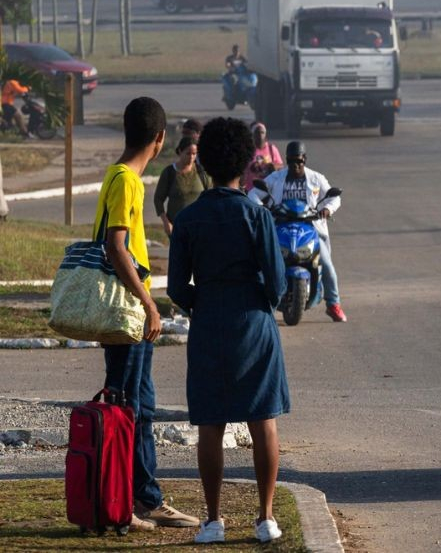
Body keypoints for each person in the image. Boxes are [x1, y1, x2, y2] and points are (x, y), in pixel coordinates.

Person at [167, 118, 289, 545]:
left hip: (209, 323)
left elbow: (179, 288)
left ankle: (214, 519)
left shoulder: (188, 220)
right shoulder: (257, 216)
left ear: (207, 165)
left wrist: (204, 302)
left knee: (211, 425)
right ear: (245, 163)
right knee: (263, 422)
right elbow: (277, 283)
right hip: (254, 322)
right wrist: (257, 302)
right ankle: (266, 517)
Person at [95, 97, 200, 531]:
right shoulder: (127, 181)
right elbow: (116, 246)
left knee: (140, 406)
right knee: (125, 409)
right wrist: (148, 302)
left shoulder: (122, 177)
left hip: (129, 312)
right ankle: (122, 504)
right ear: (159, 140)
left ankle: (144, 497)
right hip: (128, 312)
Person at [250, 141, 346, 322]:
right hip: (280, 228)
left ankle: (333, 304)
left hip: (310, 229)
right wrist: (262, 209)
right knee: (262, 262)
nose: (295, 165)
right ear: (286, 160)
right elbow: (254, 194)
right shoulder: (276, 178)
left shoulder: (316, 178)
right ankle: (257, 303)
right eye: (291, 161)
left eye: (299, 161)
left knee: (325, 263)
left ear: (305, 160)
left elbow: (335, 198)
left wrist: (327, 210)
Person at [154, 136, 211, 237]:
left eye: (194, 154)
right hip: (177, 228)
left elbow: (211, 197)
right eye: (188, 153)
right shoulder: (169, 173)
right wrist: (166, 222)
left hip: (199, 227)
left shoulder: (201, 172)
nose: (191, 157)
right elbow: (158, 199)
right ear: (180, 151)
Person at [242, 121, 283, 191]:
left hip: (269, 189)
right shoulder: (247, 149)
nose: (260, 135)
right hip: (251, 189)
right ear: (252, 134)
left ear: (265, 134)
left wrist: (273, 166)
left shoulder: (272, 149)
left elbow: (281, 166)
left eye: (262, 132)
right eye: (257, 133)